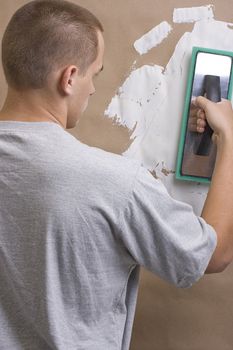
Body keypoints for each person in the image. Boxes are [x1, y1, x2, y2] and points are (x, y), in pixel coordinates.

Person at [0, 1, 232, 349]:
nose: (93, 89)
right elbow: (213, 255)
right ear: (70, 77)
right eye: (94, 73)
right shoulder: (115, 182)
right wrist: (228, 140)